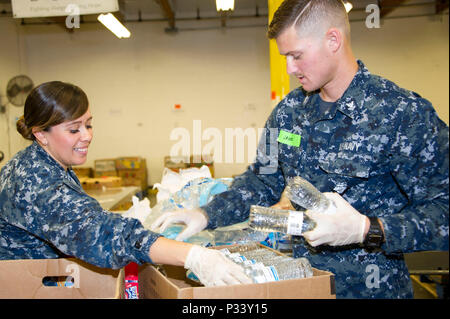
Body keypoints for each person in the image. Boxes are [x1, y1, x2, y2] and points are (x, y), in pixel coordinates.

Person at [151, 0, 449, 298]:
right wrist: (206, 213)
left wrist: (366, 229)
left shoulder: (402, 114)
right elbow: (262, 178)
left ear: (333, 40)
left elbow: (443, 210)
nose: (290, 68)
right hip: (303, 285)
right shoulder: (288, 112)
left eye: (297, 56)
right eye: (285, 57)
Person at [0, 81, 252, 288]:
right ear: (41, 134)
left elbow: (79, 218)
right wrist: (193, 256)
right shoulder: (35, 180)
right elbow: (99, 233)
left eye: (88, 124)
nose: (87, 135)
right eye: (74, 129)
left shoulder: (43, 162)